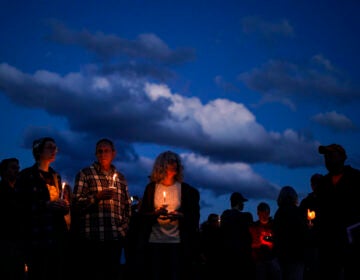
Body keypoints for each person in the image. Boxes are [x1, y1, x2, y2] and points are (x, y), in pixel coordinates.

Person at [71, 138, 132, 280]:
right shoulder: (85, 174)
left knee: (113, 275)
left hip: (114, 238)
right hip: (92, 238)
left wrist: (123, 229)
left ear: (113, 153)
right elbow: (76, 204)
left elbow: (127, 206)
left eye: (106, 151)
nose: (103, 154)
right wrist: (96, 197)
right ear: (95, 154)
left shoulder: (121, 178)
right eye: (100, 151)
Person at [138, 150, 200, 280]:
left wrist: (180, 216)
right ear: (162, 165)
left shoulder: (186, 190)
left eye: (176, 162)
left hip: (177, 243)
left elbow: (194, 216)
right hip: (154, 241)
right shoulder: (151, 189)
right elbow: (142, 216)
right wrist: (156, 214)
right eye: (171, 161)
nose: (175, 164)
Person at [15, 137, 71, 280]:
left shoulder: (55, 176)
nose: (54, 151)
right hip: (37, 237)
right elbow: (20, 205)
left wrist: (64, 207)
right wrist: (45, 205)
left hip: (56, 236)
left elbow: (59, 206)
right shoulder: (26, 176)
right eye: (50, 147)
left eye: (55, 148)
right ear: (39, 151)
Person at [316, 144, 360, 280]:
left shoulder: (356, 178)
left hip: (353, 243)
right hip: (328, 246)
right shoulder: (323, 183)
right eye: (325, 156)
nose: (327, 158)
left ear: (342, 157)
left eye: (331, 154)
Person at [273, 186, 307, 280]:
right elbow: (303, 233)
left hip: (282, 255)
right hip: (296, 255)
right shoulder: (297, 212)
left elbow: (276, 234)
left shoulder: (278, 213)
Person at [0, 158, 25, 280]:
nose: (17, 171)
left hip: (19, 241)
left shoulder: (19, 192)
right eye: (13, 168)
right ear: (4, 171)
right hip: (5, 241)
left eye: (18, 168)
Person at [220, 192, 254, 279]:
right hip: (241, 257)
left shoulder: (225, 216)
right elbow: (248, 237)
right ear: (239, 202)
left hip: (227, 257)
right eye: (242, 202)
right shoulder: (244, 217)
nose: (243, 204)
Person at [299, 173, 323, 280]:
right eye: (314, 183)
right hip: (311, 243)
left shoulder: (330, 200)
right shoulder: (306, 202)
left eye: (318, 183)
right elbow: (300, 221)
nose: (316, 186)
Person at [249, 202, 281, 280]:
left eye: (266, 213)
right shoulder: (253, 227)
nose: (264, 215)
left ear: (269, 213)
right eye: (261, 213)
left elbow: (278, 240)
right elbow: (251, 243)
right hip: (259, 260)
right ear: (258, 213)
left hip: (272, 258)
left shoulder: (274, 226)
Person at [199, 213, 222, 279]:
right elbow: (201, 245)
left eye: (217, 220)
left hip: (216, 259)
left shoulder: (219, 232)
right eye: (215, 221)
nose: (217, 222)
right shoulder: (205, 232)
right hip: (209, 258)